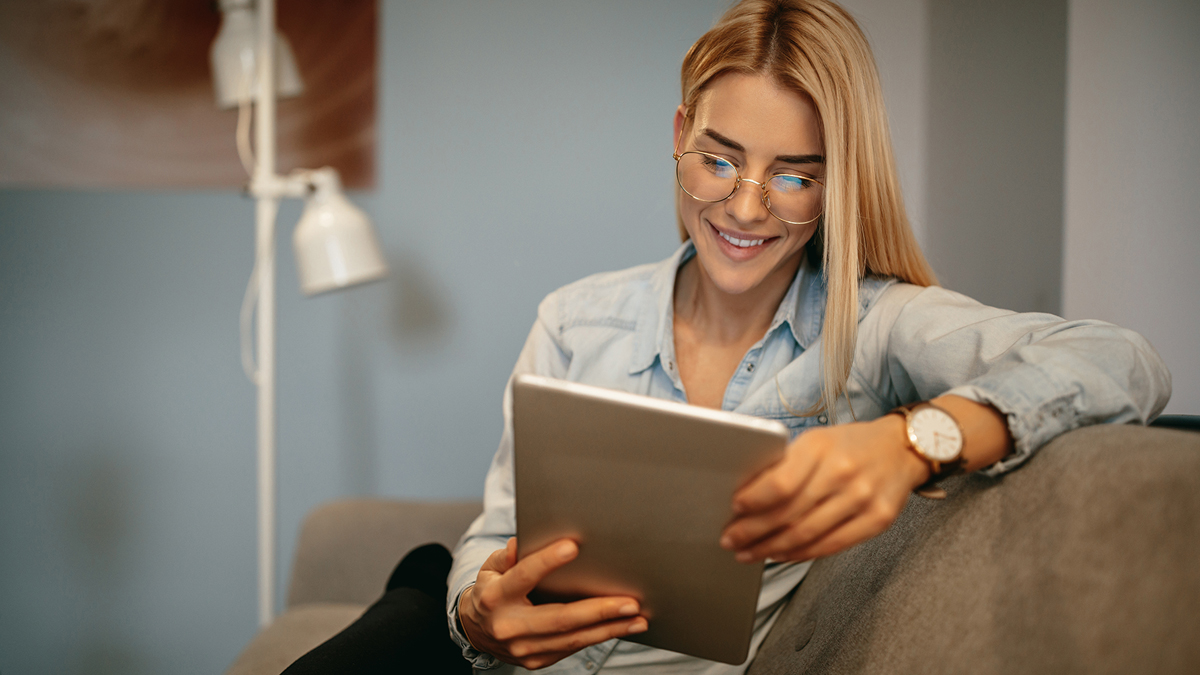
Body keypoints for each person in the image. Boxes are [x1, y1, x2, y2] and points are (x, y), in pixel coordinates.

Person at [285, 0, 1169, 673]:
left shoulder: (873, 327)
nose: (746, 208)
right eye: (719, 159)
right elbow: (498, 532)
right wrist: (476, 613)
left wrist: (912, 442)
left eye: (793, 176)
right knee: (404, 610)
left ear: (836, 186)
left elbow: (1122, 361)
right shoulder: (574, 319)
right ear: (678, 138)